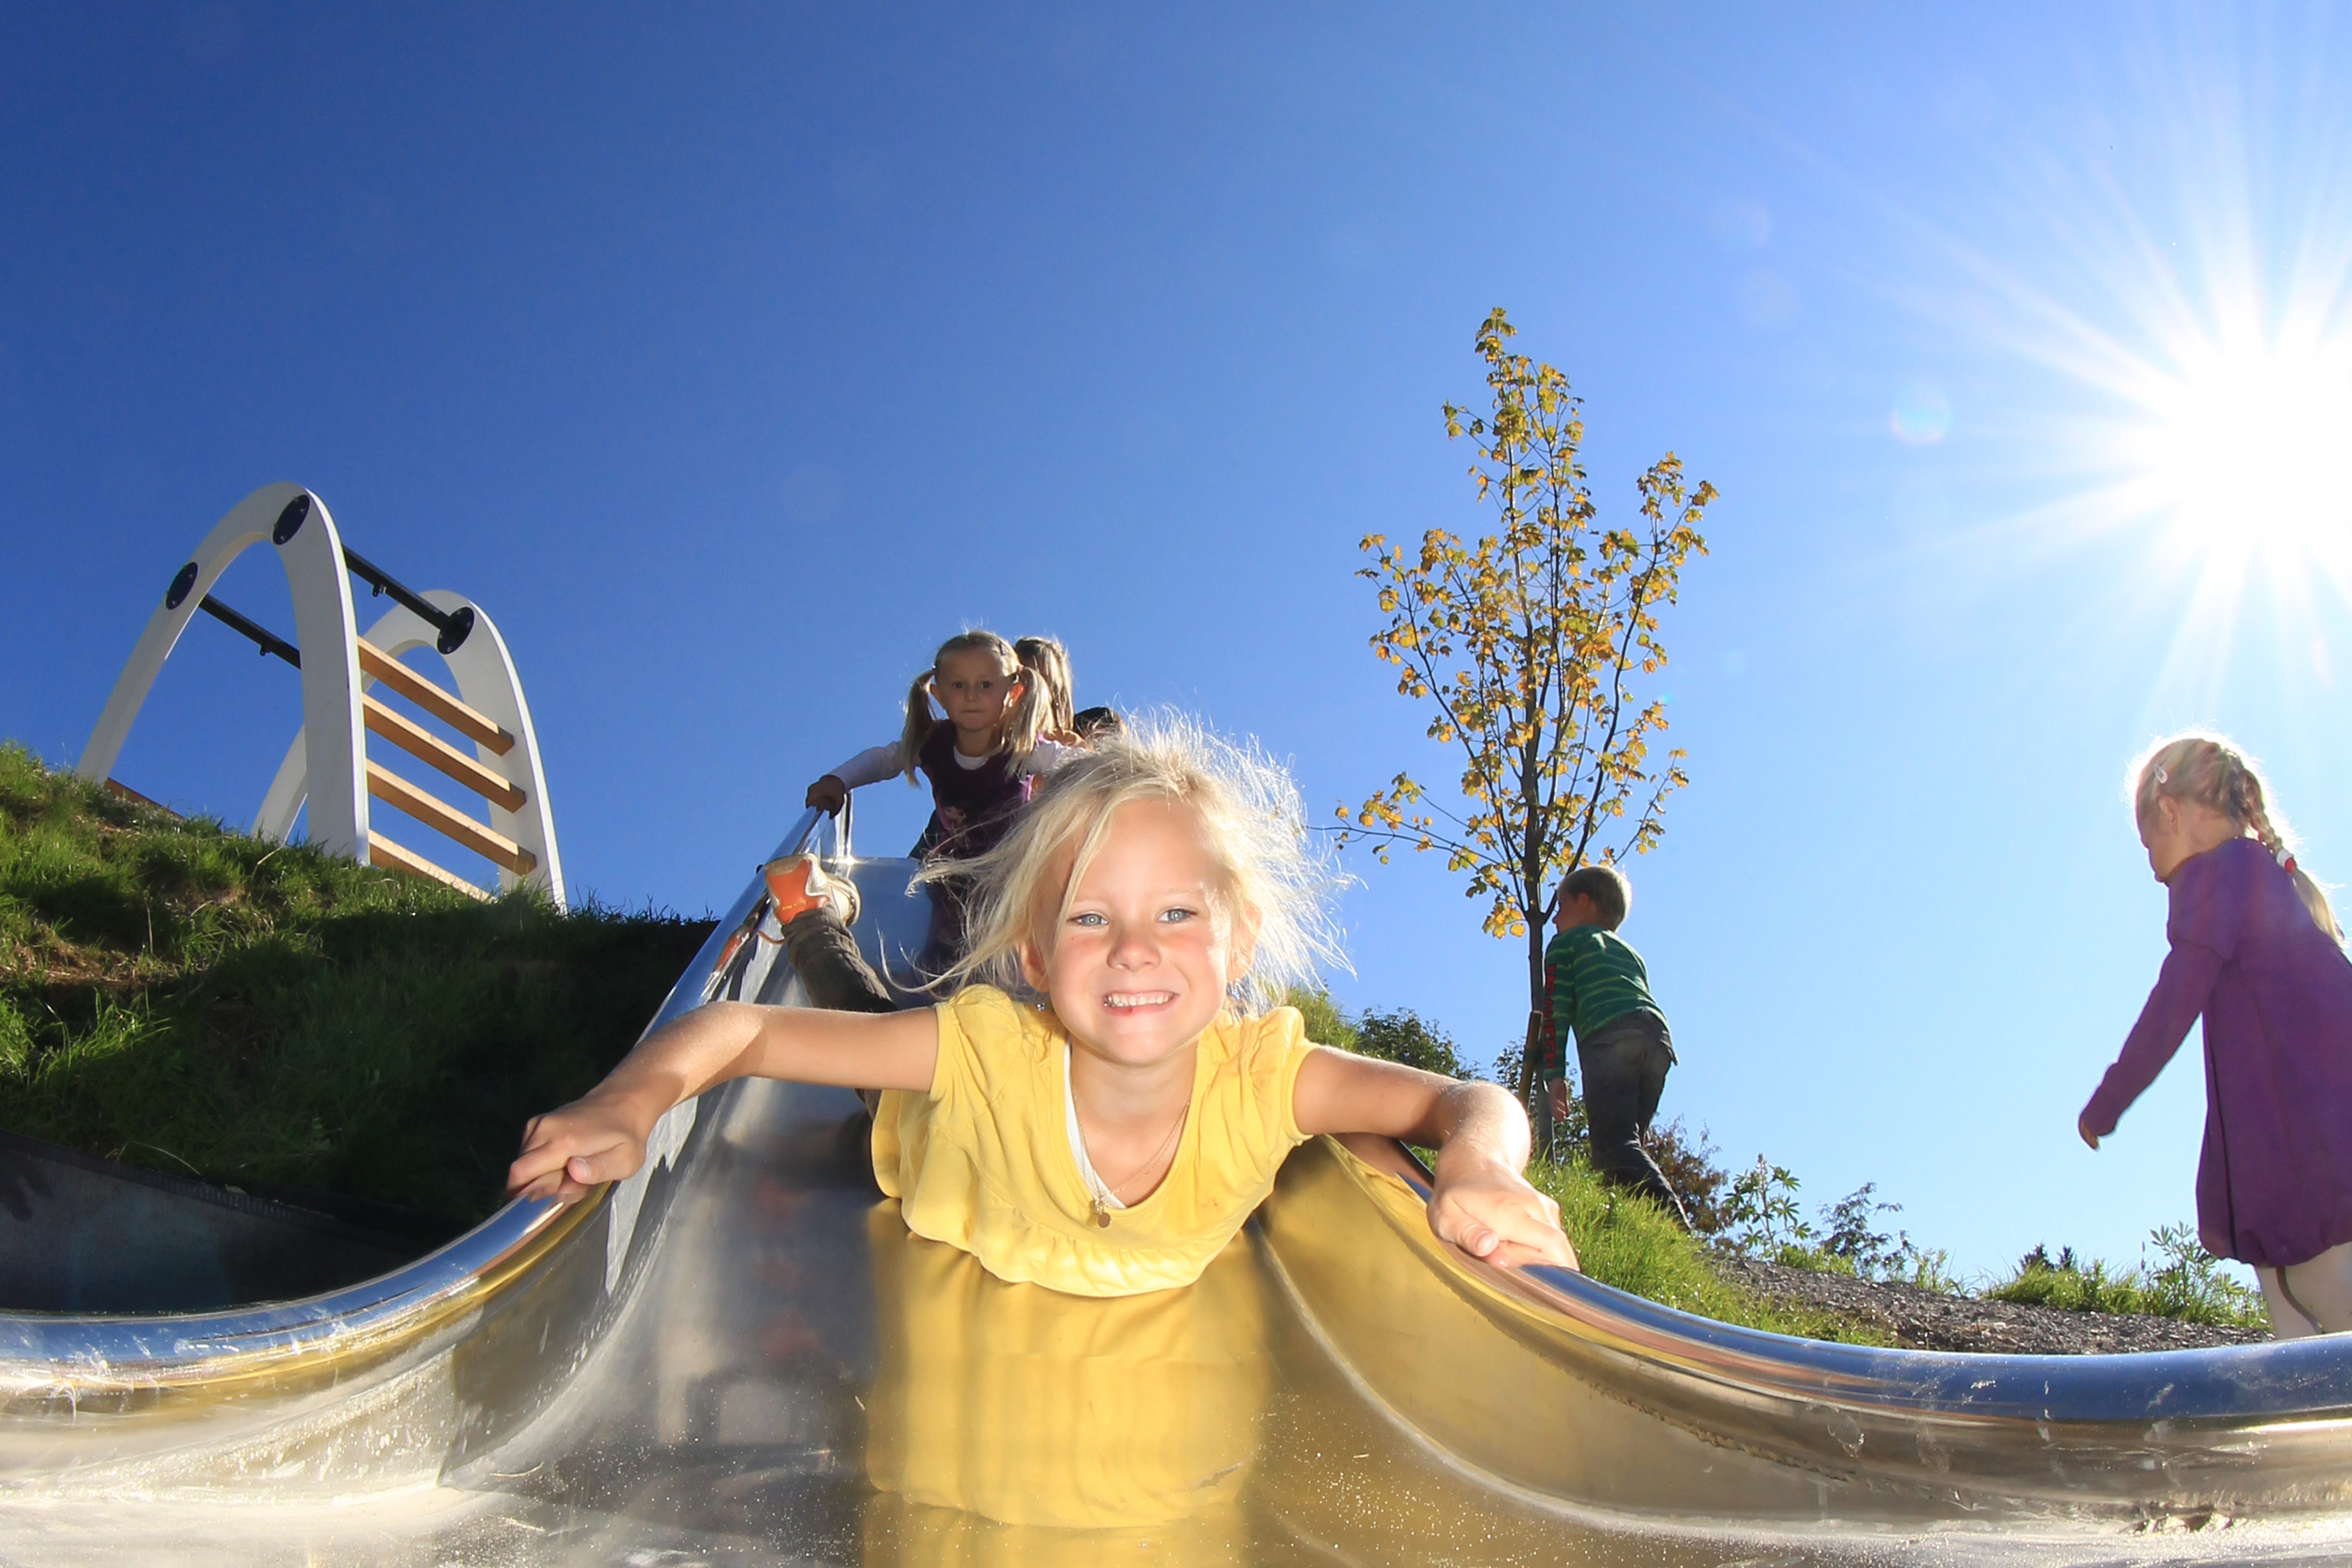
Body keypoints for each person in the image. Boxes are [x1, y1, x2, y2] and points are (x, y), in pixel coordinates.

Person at [510, 715, 1575, 1297]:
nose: (1133, 950)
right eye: (1087, 917)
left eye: (1175, 913)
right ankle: (815, 916)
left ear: (1239, 938)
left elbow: (1467, 1101)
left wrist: (1479, 1164)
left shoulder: (1264, 1079)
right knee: (857, 1004)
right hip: (937, 1131)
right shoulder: (985, 1053)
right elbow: (743, 1027)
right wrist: (626, 1103)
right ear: (1031, 952)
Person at [2078, 734, 2352, 1340]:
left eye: (2147, 843)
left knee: (2309, 1306)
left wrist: (2107, 1101)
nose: (2152, 867)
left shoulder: (2216, 878)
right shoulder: (2268, 880)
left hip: (2309, 1156)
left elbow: (2174, 1000)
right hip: (2329, 1132)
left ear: (2170, 811)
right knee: (2296, 1297)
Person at [806, 630, 1061, 866]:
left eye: (985, 685)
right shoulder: (936, 744)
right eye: (958, 685)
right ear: (939, 696)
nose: (971, 696)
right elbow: (886, 759)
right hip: (948, 875)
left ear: (1013, 693)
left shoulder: (1022, 746)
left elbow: (1076, 764)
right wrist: (839, 780)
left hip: (1010, 874)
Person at [1539, 863, 1691, 1227]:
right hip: (1657, 1041)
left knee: (1613, 1148)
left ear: (1584, 902)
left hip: (1611, 1037)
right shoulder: (1629, 952)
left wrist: (1554, 1075)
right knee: (1626, 1147)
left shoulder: (1566, 944)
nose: (1555, 919)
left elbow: (1556, 1009)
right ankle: (1628, 1229)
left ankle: (1675, 1226)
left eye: (1561, 907)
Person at [1015, 635, 1080, 745]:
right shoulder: (991, 736)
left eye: (1040, 680)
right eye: (1018, 678)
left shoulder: (1068, 745)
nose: (1029, 689)